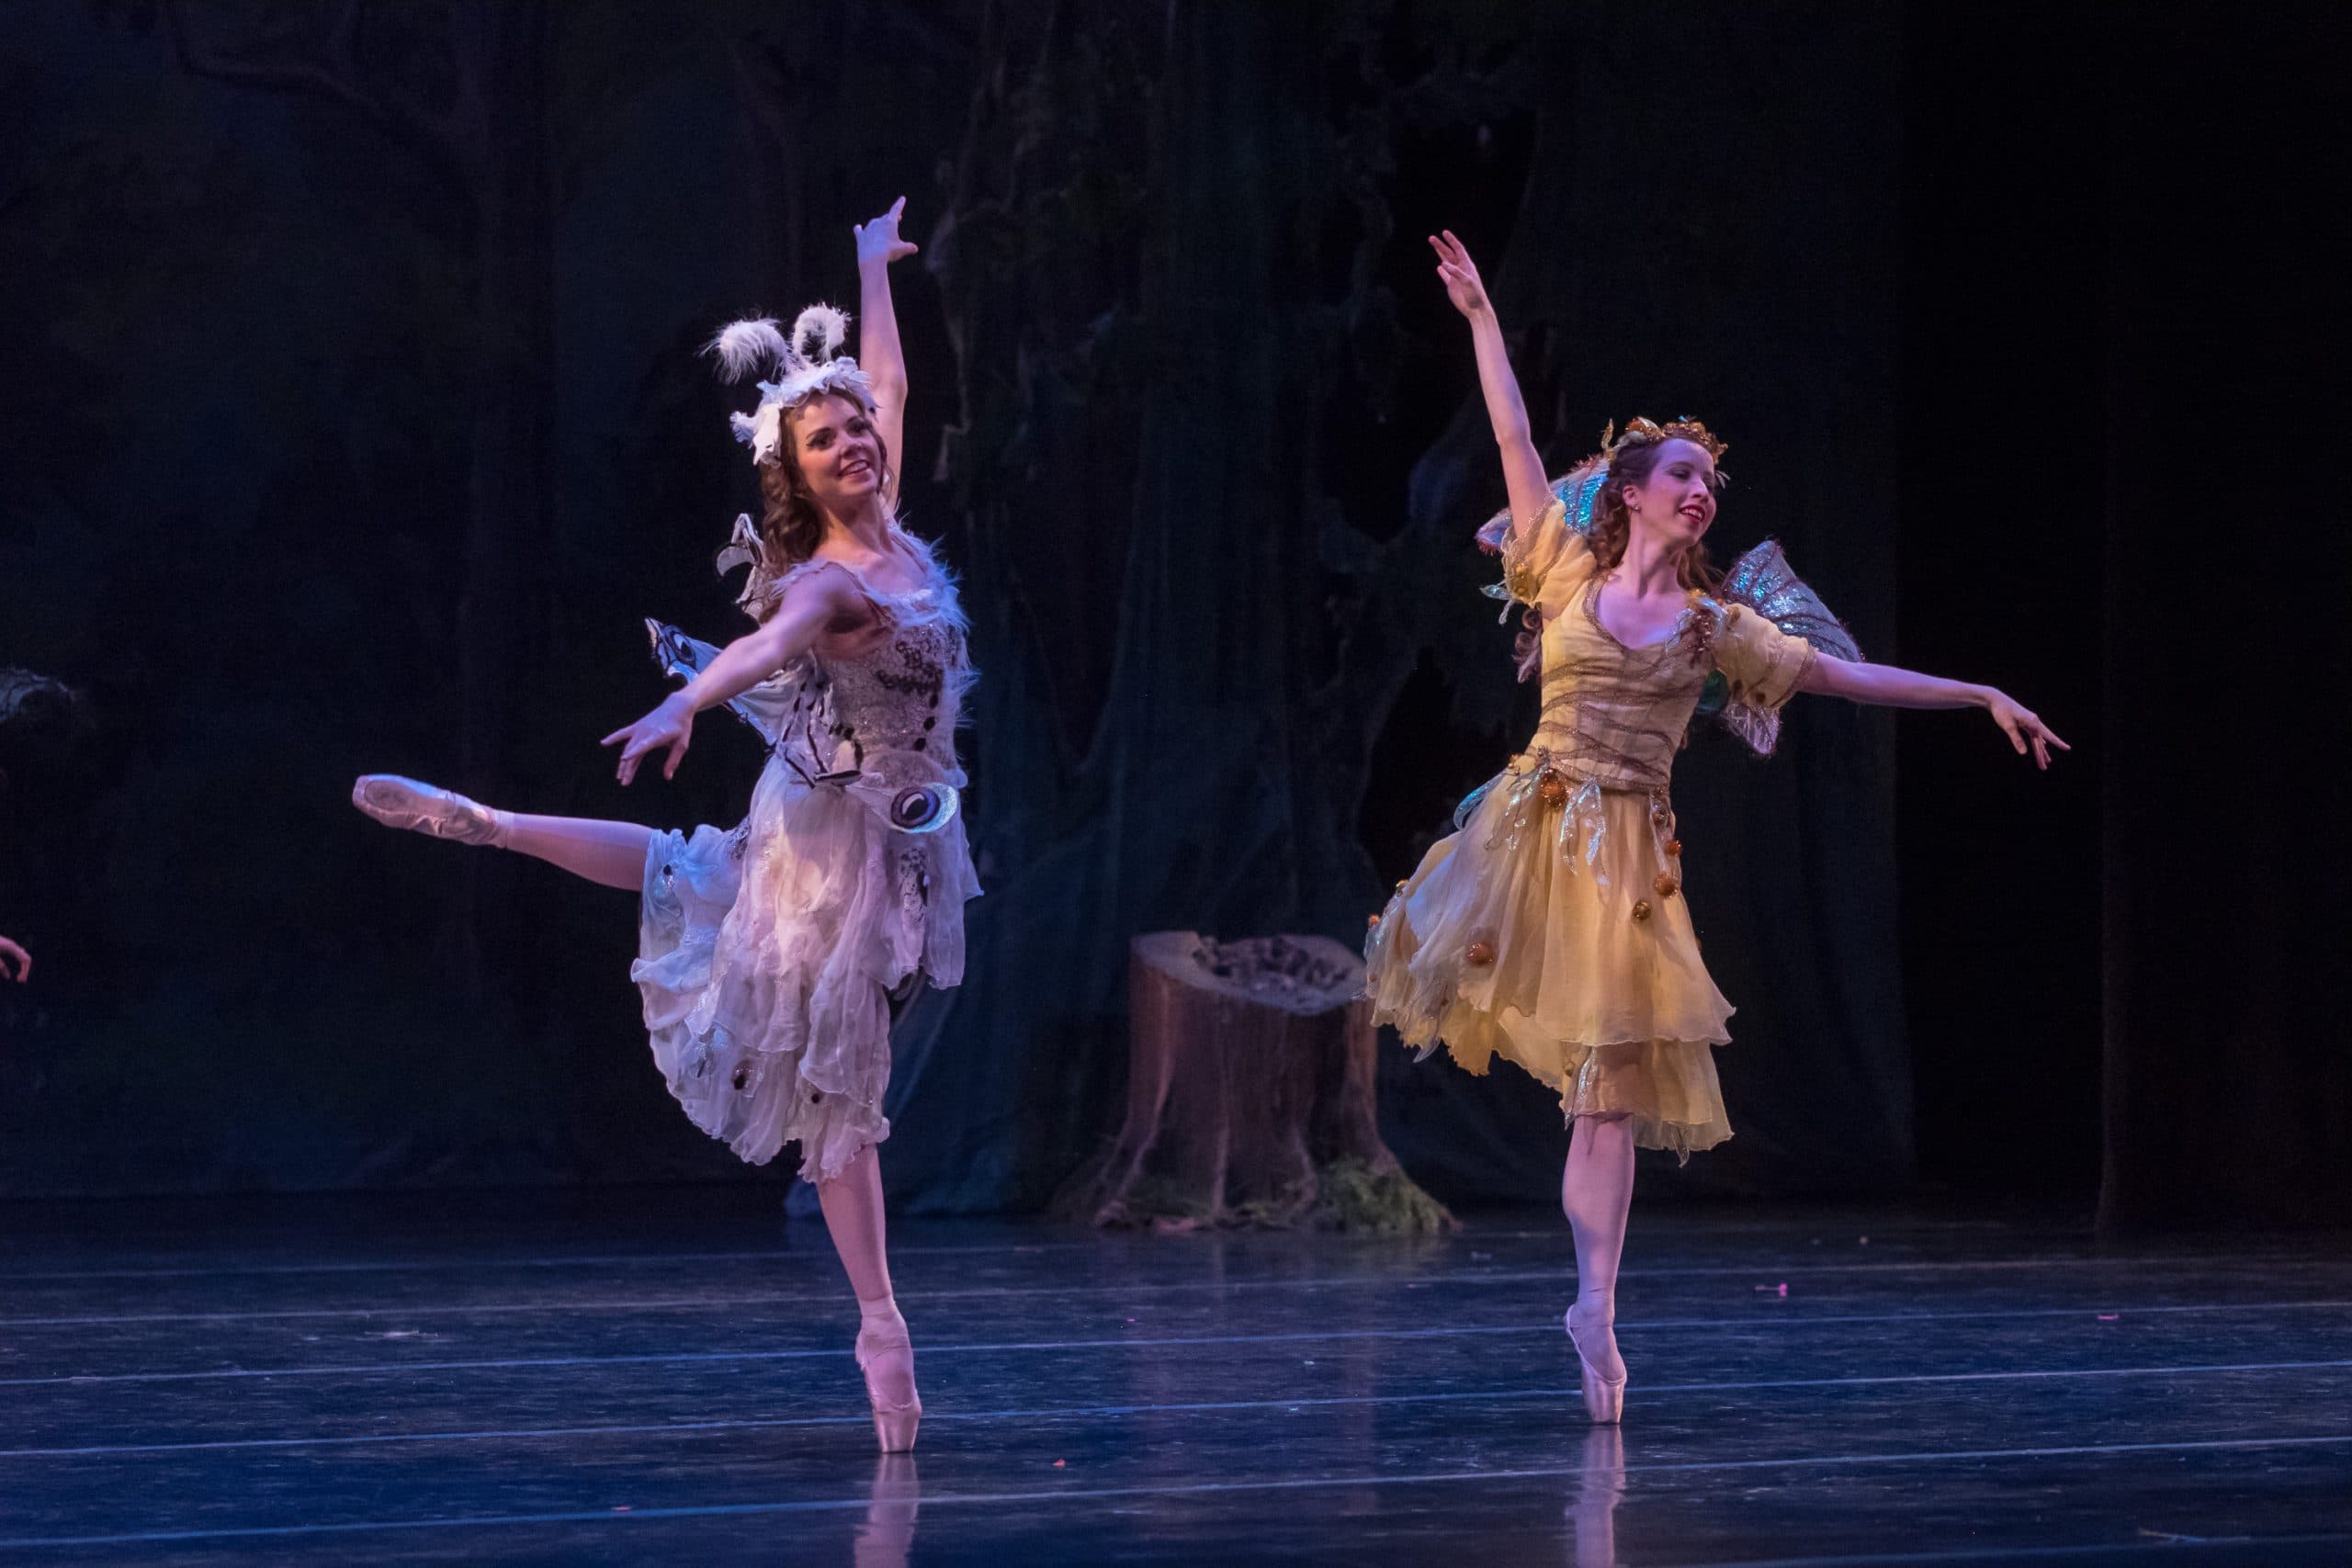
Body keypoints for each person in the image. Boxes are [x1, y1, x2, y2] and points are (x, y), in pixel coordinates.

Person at [1366, 231, 2066, 1426]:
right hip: (1534, 835)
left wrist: (1977, 694)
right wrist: (1483, 316)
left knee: (1609, 1094)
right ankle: (1592, 1300)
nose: (1699, 492)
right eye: (1679, 474)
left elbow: (1850, 682)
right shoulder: (1561, 572)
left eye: (1708, 483)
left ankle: (1596, 1304)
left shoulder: (1712, 629)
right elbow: (1515, 444)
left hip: (1631, 863)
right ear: (1631, 494)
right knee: (1555, 1062)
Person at [353, 198, 974, 1454]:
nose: (856, 440)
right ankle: (881, 1323)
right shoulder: (831, 580)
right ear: (793, 479)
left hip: (892, 816)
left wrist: (869, 267)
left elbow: (893, 375)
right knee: (830, 1081)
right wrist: (685, 699)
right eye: (827, 439)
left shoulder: (893, 522)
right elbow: (766, 643)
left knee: (707, 883)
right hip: (838, 835)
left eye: (856, 428)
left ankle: (499, 824)